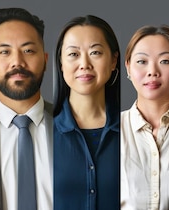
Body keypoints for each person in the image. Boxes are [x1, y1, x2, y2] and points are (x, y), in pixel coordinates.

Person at [0, 7, 53, 210]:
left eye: (28, 50)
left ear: (45, 60)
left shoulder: (72, 124)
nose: (17, 62)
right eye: (5, 52)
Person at [53, 15, 120, 210]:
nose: (84, 64)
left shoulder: (133, 130)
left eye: (95, 52)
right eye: (73, 54)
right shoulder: (43, 133)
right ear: (61, 63)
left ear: (113, 60)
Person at [120, 25, 169, 210]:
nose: (152, 71)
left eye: (165, 61)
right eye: (142, 61)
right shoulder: (109, 131)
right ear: (128, 67)